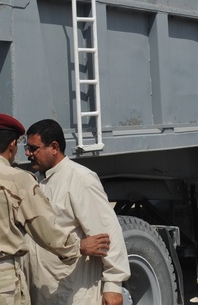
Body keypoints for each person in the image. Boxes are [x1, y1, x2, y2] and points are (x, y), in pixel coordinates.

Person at [0, 113, 111, 305]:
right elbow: (45, 230)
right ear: (12, 145)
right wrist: (78, 246)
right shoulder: (19, 179)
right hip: (1, 289)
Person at [25, 119, 129, 305]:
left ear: (54, 147)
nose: (28, 154)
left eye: (34, 149)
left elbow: (107, 233)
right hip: (44, 290)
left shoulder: (80, 179)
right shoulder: (37, 182)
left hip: (74, 292)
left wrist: (113, 285)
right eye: (27, 148)